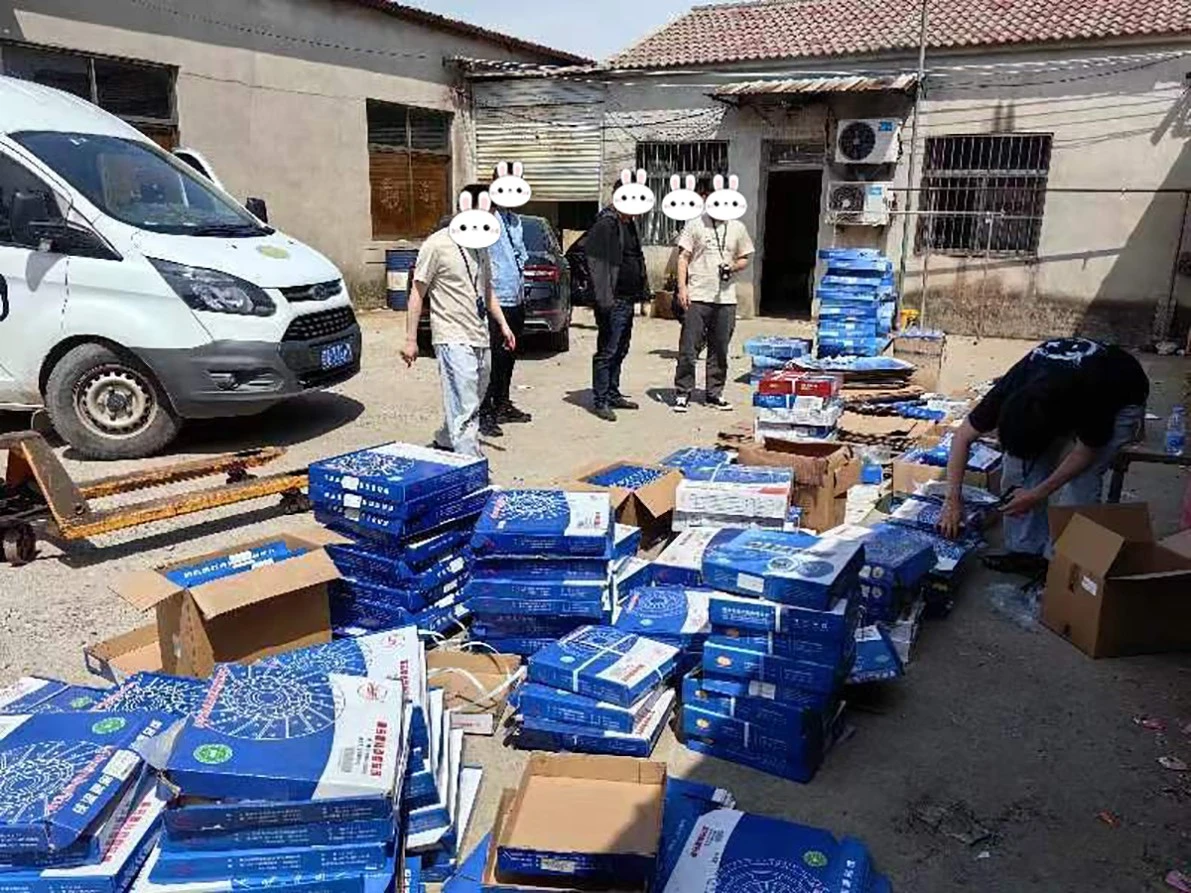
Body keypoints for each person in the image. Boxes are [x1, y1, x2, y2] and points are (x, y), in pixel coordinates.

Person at [939, 337, 1149, 559]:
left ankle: (1064, 561)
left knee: (1083, 478)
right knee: (1018, 466)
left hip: (1123, 392)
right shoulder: (1008, 391)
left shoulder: (1092, 399)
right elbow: (961, 437)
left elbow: (1085, 454)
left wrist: (1037, 494)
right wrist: (952, 500)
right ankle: (1024, 552)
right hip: (1064, 385)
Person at [401, 189, 516, 457]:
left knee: (473, 395)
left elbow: (486, 290)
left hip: (480, 333)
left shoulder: (481, 246)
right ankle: (470, 462)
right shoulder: (436, 245)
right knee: (466, 402)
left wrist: (503, 324)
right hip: (451, 335)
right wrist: (410, 339)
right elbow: (417, 291)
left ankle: (445, 437)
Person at [672, 183, 754, 412]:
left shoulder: (737, 227)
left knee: (720, 350)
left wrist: (733, 266)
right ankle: (682, 392)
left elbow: (745, 257)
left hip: (726, 299)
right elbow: (683, 257)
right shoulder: (695, 224)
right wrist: (682, 288)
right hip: (697, 296)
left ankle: (714, 393)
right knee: (689, 349)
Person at [586, 176, 650, 422]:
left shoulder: (629, 224)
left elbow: (636, 258)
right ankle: (600, 400)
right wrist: (605, 300)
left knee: (621, 348)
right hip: (613, 300)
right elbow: (596, 264)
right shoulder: (606, 224)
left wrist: (644, 292)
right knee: (608, 350)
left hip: (628, 299)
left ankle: (613, 393)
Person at [480, 165, 533, 438]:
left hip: (516, 297)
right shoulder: (486, 217)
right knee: (492, 359)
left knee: (508, 357)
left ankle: (502, 404)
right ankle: (485, 412)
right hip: (495, 298)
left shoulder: (515, 220)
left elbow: (521, 254)